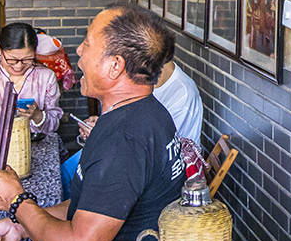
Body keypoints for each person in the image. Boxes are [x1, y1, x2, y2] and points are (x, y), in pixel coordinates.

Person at [0, 5, 183, 241]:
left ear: (115, 66)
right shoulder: (147, 113)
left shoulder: (125, 139)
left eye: (87, 44)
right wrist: (21, 226)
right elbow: (91, 205)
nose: (78, 52)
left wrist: (16, 201)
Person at [62, 30, 202, 190]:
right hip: (130, 161)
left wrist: (105, 135)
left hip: (159, 177)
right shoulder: (143, 83)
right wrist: (102, 126)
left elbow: (155, 149)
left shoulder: (182, 93)